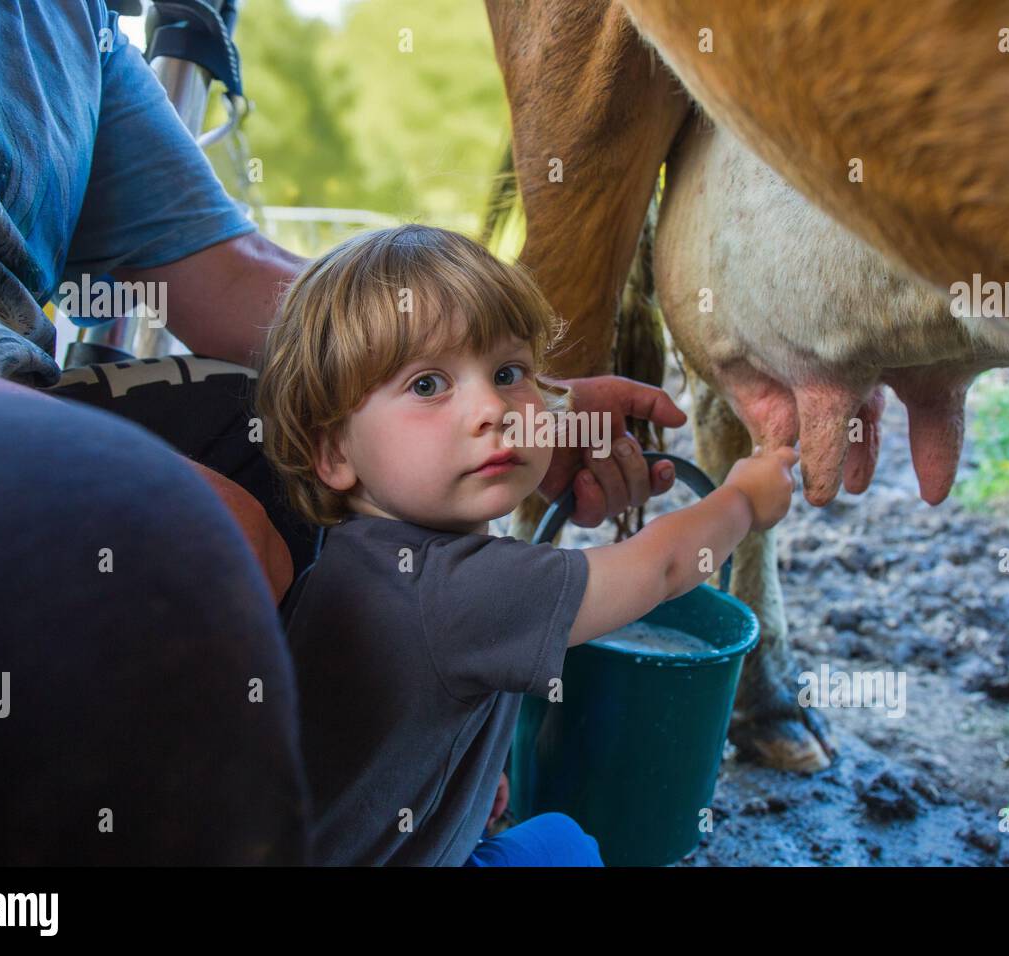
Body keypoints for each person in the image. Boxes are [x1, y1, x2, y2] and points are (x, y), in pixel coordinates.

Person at [0, 0, 685, 864]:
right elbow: (659, 565)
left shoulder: (66, 21)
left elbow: (236, 278)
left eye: (508, 370)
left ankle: (393, 780)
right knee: (216, 528)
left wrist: (512, 410)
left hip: (11, 390)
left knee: (299, 444)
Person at [257, 224, 799, 866]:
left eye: (510, 372)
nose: (493, 407)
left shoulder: (353, 556)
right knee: (569, 850)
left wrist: (461, 769)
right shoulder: (454, 587)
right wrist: (740, 501)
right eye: (428, 385)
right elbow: (662, 568)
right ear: (334, 452)